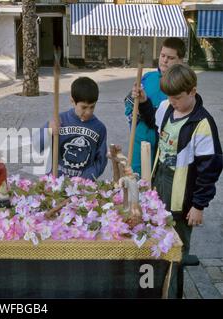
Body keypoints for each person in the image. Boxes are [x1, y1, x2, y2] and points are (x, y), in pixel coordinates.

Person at [136, 64, 223, 296]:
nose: (172, 101)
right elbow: (153, 122)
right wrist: (145, 102)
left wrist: (198, 205)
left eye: (177, 97)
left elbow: (209, 169)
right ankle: (156, 288)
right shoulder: (166, 107)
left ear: (193, 91)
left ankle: (173, 292)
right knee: (156, 236)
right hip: (160, 180)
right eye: (169, 97)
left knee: (177, 246)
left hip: (183, 192)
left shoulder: (203, 124)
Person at [125, 37, 186, 175]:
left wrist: (146, 104)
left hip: (165, 143)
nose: (164, 60)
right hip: (141, 137)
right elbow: (129, 106)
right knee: (136, 178)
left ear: (181, 60)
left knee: (158, 181)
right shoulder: (147, 77)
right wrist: (134, 97)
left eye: (170, 57)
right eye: (162, 55)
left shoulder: (183, 84)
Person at [39, 77, 107, 180]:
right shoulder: (59, 121)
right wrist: (48, 131)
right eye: (84, 107)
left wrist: (87, 177)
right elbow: (37, 146)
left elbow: (101, 160)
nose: (88, 112)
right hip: (55, 183)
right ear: (72, 100)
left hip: (84, 186)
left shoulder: (99, 128)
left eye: (92, 107)